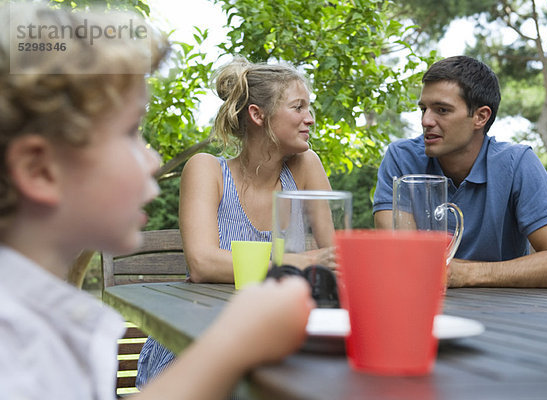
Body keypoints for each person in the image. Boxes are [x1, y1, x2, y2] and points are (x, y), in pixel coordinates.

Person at [0, 4, 313, 400]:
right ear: (40, 169)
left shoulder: (50, 319)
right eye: (129, 132)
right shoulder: (15, 340)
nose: (151, 160)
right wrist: (234, 341)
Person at [136, 57, 333, 387]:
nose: (309, 119)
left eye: (308, 108)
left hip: (274, 343)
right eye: (298, 107)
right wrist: (302, 262)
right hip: (196, 344)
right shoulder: (207, 170)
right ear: (258, 115)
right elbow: (203, 263)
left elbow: (337, 253)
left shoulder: (305, 166)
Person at [373, 55, 547, 288]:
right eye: (423, 109)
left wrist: (466, 274)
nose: (426, 120)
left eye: (442, 110)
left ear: (481, 117)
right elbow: (406, 260)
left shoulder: (517, 163)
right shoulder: (401, 158)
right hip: (421, 304)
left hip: (508, 314)